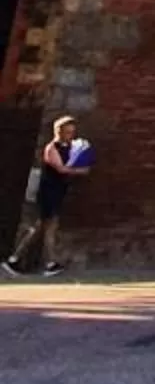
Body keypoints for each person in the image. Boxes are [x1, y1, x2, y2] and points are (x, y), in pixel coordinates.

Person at [5, 116, 92, 275]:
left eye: (72, 132)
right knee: (48, 227)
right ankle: (49, 263)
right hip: (48, 192)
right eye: (67, 132)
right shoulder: (51, 148)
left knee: (39, 228)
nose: (70, 135)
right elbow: (61, 169)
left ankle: (15, 260)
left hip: (58, 191)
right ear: (58, 132)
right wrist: (81, 170)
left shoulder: (68, 147)